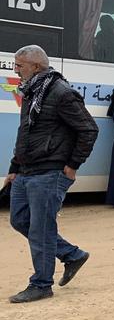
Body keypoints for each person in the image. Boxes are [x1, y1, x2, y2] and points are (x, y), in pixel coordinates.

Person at [6, 45, 98, 304]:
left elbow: (88, 130)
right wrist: (14, 168)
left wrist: (72, 165)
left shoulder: (61, 93)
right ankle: (72, 255)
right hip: (26, 171)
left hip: (50, 171)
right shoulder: (31, 91)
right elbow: (26, 132)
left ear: (36, 66)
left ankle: (41, 284)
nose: (16, 70)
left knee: (41, 229)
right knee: (19, 219)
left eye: (19, 65)